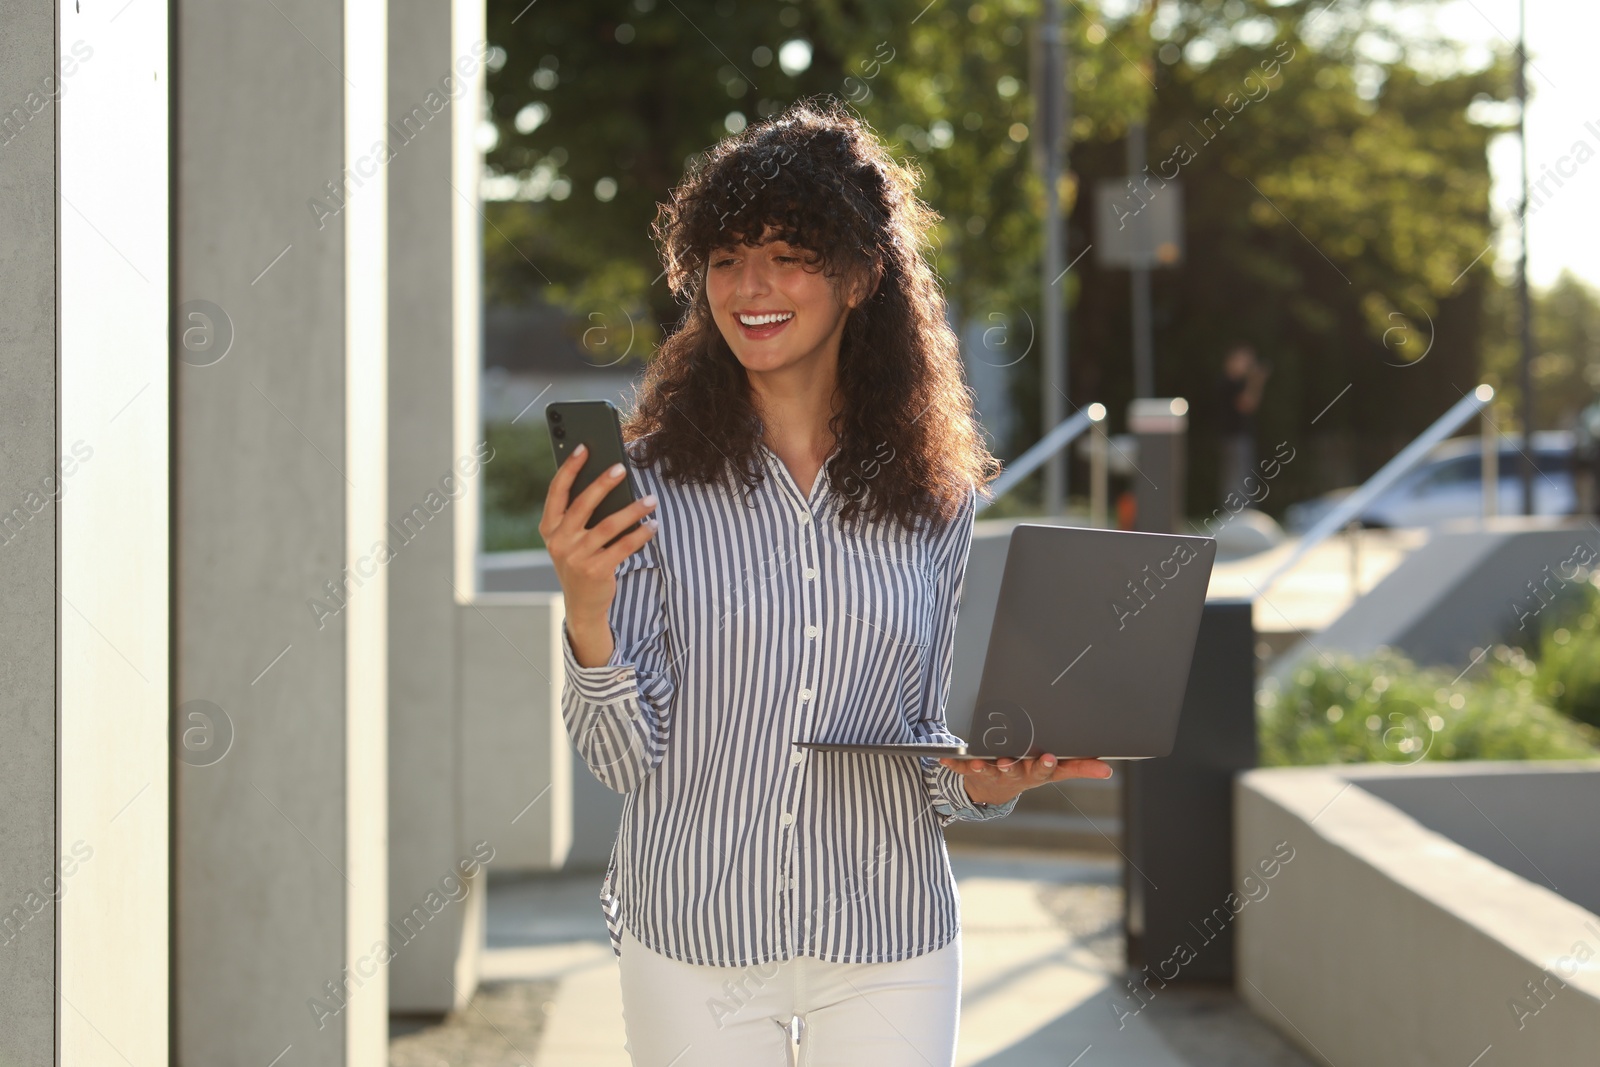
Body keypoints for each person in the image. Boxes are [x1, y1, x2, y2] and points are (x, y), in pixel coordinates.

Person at [540, 100, 1112, 1067]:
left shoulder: (936, 499)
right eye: (724, 257)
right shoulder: (650, 487)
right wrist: (587, 612)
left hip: (888, 932)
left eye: (788, 253)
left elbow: (925, 747)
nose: (749, 285)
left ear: (859, 273)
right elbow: (624, 763)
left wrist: (983, 783)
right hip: (693, 931)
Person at [1214, 342, 1270, 507]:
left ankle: (1241, 514)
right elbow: (1247, 404)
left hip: (1239, 437)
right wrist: (1256, 381)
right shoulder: (1228, 383)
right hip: (1233, 437)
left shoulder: (1237, 383)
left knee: (1242, 476)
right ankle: (1236, 514)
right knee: (1237, 478)